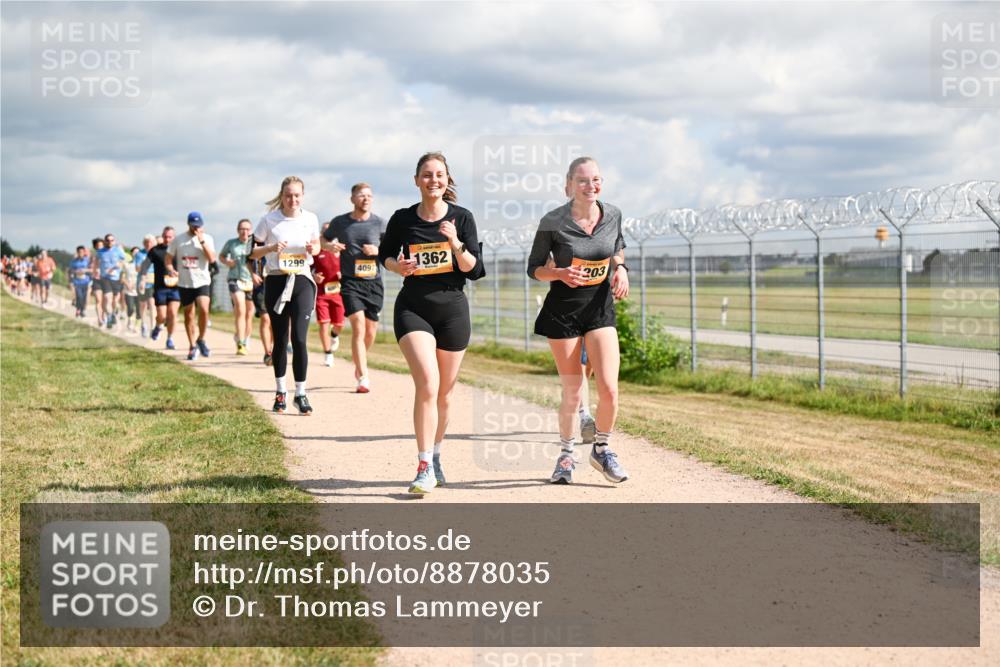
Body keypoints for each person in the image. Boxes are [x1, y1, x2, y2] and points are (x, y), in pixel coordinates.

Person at [378, 152, 485, 494]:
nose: (433, 180)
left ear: (447, 179)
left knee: (444, 393)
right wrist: (398, 267)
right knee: (427, 382)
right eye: (427, 174)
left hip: (453, 310)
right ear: (416, 180)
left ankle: (436, 455)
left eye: (439, 174)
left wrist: (455, 243)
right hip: (413, 308)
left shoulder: (462, 218)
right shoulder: (403, 219)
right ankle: (423, 466)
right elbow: (384, 255)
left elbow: (474, 270)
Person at [527, 156, 630, 485]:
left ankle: (602, 449)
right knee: (573, 391)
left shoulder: (612, 214)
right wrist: (559, 273)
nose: (591, 186)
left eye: (596, 179)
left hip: (599, 308)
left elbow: (617, 249)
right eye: (583, 180)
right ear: (569, 186)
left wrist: (620, 269)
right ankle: (566, 456)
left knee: (609, 389)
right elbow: (534, 268)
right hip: (563, 312)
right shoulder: (552, 222)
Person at [250, 176, 320, 415]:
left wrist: (313, 249)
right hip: (277, 279)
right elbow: (253, 253)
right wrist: (270, 248)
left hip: (302, 280)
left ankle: (301, 393)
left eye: (297, 195)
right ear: (282, 195)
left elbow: (316, 246)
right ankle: (281, 392)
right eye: (288, 195)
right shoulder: (269, 220)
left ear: (303, 196)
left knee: (299, 338)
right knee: (280, 339)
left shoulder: (310, 218)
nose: (293, 200)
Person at [322, 183, 387, 391]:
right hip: (350, 282)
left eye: (369, 195)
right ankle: (363, 377)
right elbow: (323, 240)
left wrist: (377, 250)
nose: (366, 199)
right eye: (361, 195)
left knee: (370, 332)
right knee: (358, 326)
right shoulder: (340, 222)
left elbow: (391, 249)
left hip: (373, 282)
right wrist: (329, 246)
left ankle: (360, 361)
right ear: (352, 199)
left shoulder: (380, 223)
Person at [167, 212, 217, 361]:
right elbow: (168, 258)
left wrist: (202, 241)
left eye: (198, 225)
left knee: (204, 309)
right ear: (188, 224)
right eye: (193, 225)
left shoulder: (208, 238)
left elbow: (212, 259)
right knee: (189, 314)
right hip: (185, 282)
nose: (196, 228)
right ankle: (192, 346)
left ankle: (201, 339)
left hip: (202, 281)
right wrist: (170, 269)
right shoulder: (178, 240)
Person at [140, 226, 181, 350]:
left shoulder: (179, 250)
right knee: (162, 316)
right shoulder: (155, 250)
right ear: (162, 237)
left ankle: (170, 339)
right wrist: (142, 279)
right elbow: (145, 265)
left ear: (174, 237)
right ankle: (158, 327)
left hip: (176, 288)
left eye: (170, 237)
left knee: (173, 313)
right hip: (160, 288)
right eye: (165, 237)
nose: (167, 239)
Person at [220, 219, 256, 355]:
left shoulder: (255, 244)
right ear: (237, 230)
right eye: (242, 229)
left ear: (251, 231)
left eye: (247, 229)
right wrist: (227, 261)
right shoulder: (231, 243)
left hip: (251, 281)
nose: (244, 231)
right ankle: (240, 343)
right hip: (235, 279)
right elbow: (221, 256)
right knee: (240, 308)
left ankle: (245, 338)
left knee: (249, 313)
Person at [313, 227, 345, 367]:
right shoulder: (317, 252)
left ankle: (334, 335)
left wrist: (343, 275)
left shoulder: (340, 252)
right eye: (325, 232)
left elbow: (348, 269)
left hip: (337, 293)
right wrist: (314, 276)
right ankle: (328, 353)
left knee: (339, 324)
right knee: (324, 323)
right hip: (321, 293)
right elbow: (309, 269)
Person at [97, 233, 127, 329]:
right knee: (107, 298)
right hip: (105, 278)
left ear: (114, 241)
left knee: (115, 301)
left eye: (112, 240)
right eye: (108, 240)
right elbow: (96, 262)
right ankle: (109, 317)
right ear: (105, 241)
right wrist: (95, 271)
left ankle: (113, 313)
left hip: (116, 279)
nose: (110, 242)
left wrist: (119, 265)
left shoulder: (118, 251)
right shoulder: (100, 252)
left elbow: (123, 261)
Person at [135, 234, 157, 337]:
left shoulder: (156, 252)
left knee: (152, 304)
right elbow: (137, 269)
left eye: (150, 242)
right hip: (142, 282)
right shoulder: (140, 254)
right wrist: (145, 265)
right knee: (142, 305)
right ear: (143, 244)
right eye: (146, 242)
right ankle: (143, 324)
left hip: (154, 281)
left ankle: (153, 327)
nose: (148, 244)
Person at [69, 246, 92, 317]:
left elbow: (92, 270)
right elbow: (70, 270)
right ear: (77, 252)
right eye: (79, 252)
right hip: (77, 281)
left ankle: (82, 310)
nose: (81, 253)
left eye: (82, 252)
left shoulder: (87, 261)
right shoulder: (74, 261)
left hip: (86, 281)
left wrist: (85, 270)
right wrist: (75, 272)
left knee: (84, 297)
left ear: (84, 252)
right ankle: (78, 309)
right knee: (79, 296)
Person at [123, 248, 140, 332]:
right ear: (131, 254)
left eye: (138, 253)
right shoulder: (127, 265)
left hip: (139, 290)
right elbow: (122, 277)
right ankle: (130, 320)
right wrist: (127, 284)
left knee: (139, 309)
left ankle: (137, 325)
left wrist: (135, 284)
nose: (136, 254)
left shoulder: (142, 265)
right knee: (130, 307)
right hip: (128, 290)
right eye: (134, 252)